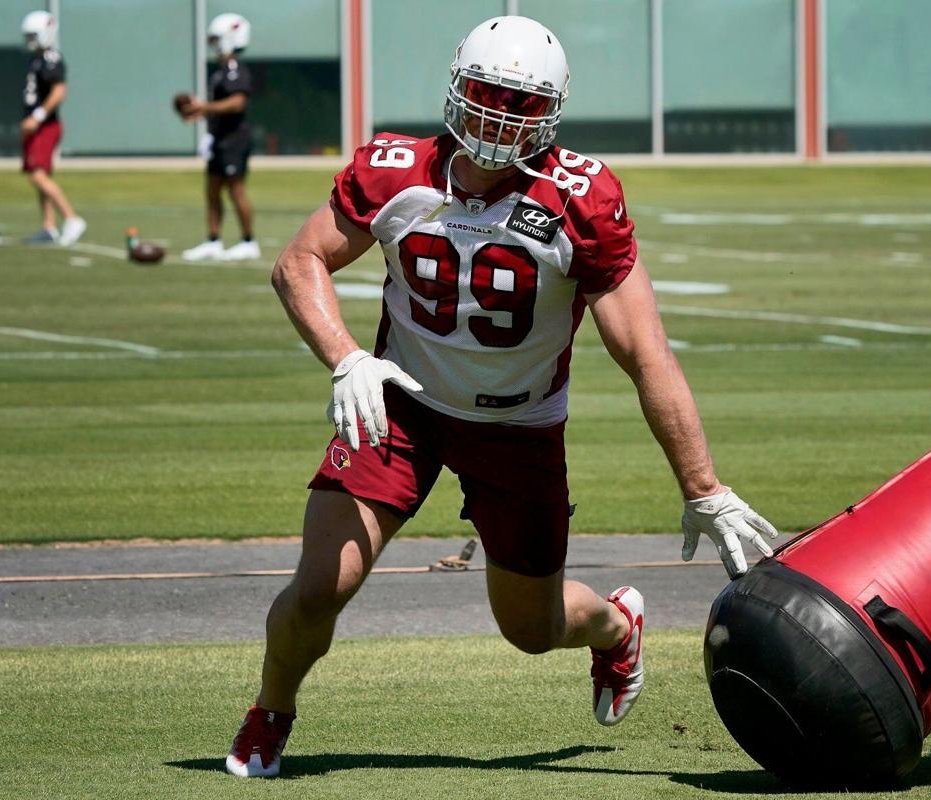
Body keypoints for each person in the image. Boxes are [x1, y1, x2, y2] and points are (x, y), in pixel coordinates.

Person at [224, 15, 780, 779]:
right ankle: (270, 710)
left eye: (520, 103)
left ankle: (616, 629)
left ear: (549, 113)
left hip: (520, 427)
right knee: (323, 586)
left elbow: (644, 354)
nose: (497, 116)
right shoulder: (396, 171)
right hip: (402, 406)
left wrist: (704, 487)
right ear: (456, 88)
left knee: (531, 627)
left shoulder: (579, 200)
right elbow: (299, 263)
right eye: (486, 93)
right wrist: (346, 357)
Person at [180, 13, 258, 262]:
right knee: (212, 190)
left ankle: (249, 241)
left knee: (236, 190)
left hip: (235, 138)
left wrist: (204, 107)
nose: (213, 44)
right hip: (219, 137)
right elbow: (217, 107)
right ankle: (213, 240)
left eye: (217, 39)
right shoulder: (220, 72)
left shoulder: (236, 69)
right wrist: (200, 113)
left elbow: (238, 102)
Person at [19, 10, 85, 246]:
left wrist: (37, 116)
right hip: (36, 126)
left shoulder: (51, 59)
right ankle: (48, 225)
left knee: (37, 174)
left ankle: (71, 218)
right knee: (41, 174)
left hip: (46, 125)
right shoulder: (37, 59)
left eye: (33, 35)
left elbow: (59, 92)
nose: (30, 40)